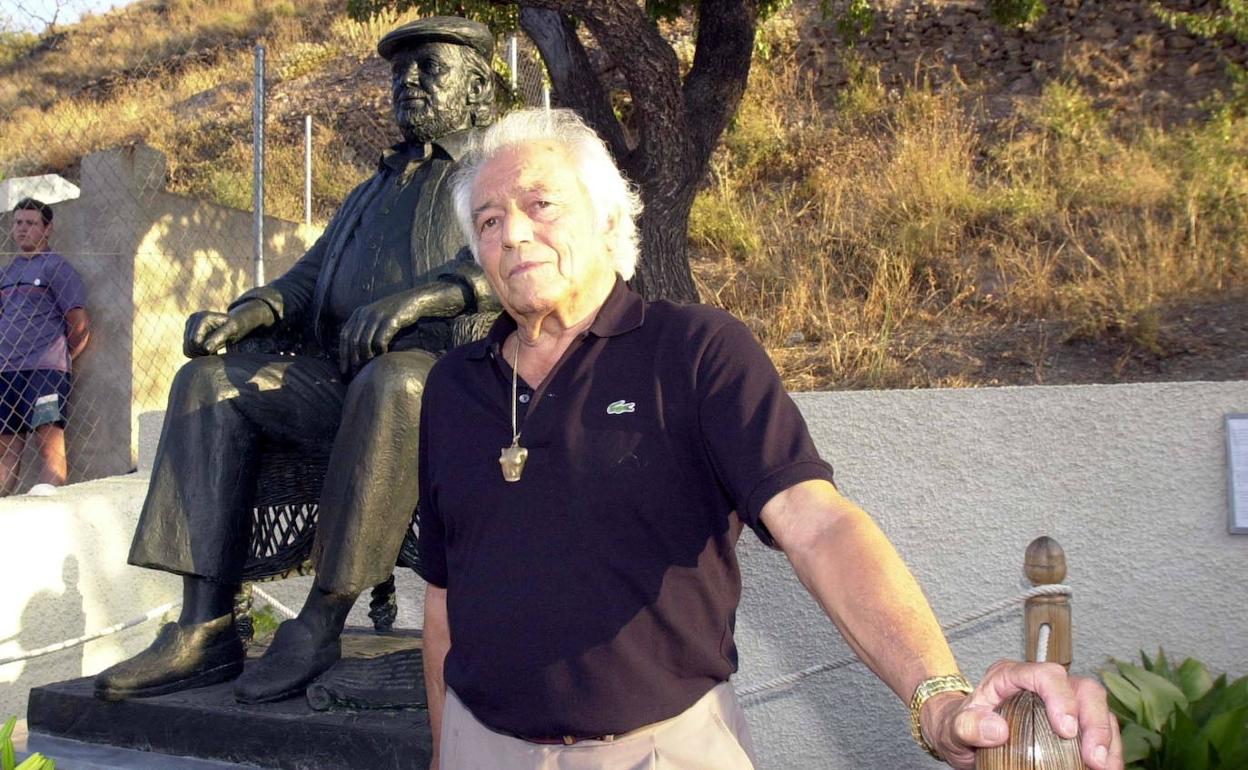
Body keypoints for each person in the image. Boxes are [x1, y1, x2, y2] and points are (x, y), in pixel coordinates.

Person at [414, 109, 1124, 770]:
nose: (512, 234)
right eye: (489, 219)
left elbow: (817, 525)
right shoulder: (451, 388)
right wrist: (451, 751)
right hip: (484, 746)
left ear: (606, 218)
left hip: (662, 751)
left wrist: (936, 695)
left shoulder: (694, 351)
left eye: (542, 205)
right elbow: (446, 599)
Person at [94, 17, 500, 705]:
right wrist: (243, 314)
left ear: (479, 87)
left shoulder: (490, 174)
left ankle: (320, 620)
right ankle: (205, 627)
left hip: (448, 382)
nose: (408, 81)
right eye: (400, 71)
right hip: (340, 377)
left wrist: (416, 303)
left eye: (429, 68)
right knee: (208, 382)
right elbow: (305, 282)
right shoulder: (373, 190)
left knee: (395, 379)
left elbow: (513, 264)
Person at [1, 198, 90, 495]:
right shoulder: (7, 273)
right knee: (6, 448)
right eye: (18, 223)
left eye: (31, 223)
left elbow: (79, 324)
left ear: (47, 229)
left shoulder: (57, 267)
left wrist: (62, 357)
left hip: (45, 372)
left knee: (48, 442)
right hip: (7, 372)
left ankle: (49, 499)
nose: (22, 229)